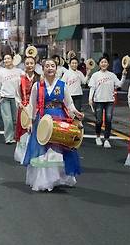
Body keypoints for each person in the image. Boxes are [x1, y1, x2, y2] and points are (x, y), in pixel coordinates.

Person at [23, 58, 84, 191]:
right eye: (47, 66)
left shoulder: (62, 85)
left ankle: (60, 178)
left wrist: (75, 113)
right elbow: (32, 105)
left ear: (56, 69)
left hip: (59, 119)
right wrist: (30, 121)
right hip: (43, 120)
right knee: (44, 150)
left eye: (52, 66)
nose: (50, 68)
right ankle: (45, 180)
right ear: (42, 69)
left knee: (60, 148)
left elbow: (69, 104)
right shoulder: (37, 86)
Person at [88, 57, 127, 148]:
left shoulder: (112, 75)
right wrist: (90, 98)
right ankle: (98, 136)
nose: (104, 63)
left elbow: (119, 84)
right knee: (99, 120)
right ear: (99, 64)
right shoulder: (95, 75)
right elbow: (92, 88)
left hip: (109, 101)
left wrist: (124, 76)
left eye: (105, 62)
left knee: (108, 120)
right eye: (102, 62)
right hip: (98, 101)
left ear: (108, 64)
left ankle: (106, 139)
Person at [14, 56, 39, 163]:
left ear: (35, 64)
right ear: (24, 65)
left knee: (35, 131)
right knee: (23, 131)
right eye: (27, 63)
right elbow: (16, 94)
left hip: (36, 108)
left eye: (31, 63)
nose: (29, 65)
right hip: (24, 108)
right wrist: (19, 103)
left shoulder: (39, 78)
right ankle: (22, 156)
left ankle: (34, 155)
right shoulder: (20, 79)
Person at [0, 54, 23, 144]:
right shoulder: (1, 72)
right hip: (5, 97)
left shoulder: (19, 71)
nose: (6, 60)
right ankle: (8, 138)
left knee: (16, 119)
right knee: (7, 120)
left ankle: (17, 136)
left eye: (8, 58)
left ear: (13, 60)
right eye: (5, 59)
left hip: (16, 98)